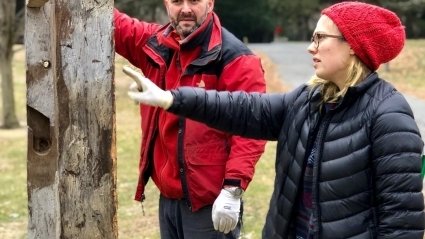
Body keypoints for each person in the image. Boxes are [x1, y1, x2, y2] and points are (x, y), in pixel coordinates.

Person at [124, 1, 425, 238]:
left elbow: (402, 224)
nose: (311, 46)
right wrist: (172, 99)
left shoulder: (389, 117)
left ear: (353, 46)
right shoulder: (309, 101)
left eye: (320, 37)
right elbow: (241, 108)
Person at [114, 0, 267, 238]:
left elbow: (250, 129)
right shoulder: (155, 45)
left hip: (210, 203)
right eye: (177, 1)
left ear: (210, 2)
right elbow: (114, 24)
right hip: (169, 200)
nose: (185, 8)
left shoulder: (234, 58)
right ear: (166, 4)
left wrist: (232, 189)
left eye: (194, 1)